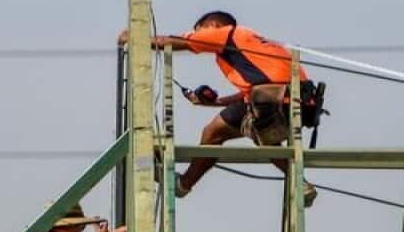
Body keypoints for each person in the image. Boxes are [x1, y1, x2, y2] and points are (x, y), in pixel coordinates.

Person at [119, 10, 320, 206]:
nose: (200, 36)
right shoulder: (256, 42)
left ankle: (183, 184)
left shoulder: (228, 33)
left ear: (213, 26)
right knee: (255, 127)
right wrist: (217, 102)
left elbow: (172, 42)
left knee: (214, 132)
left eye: (200, 31)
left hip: (272, 102)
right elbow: (255, 91)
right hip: (298, 103)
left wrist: (135, 38)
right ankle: (300, 183)